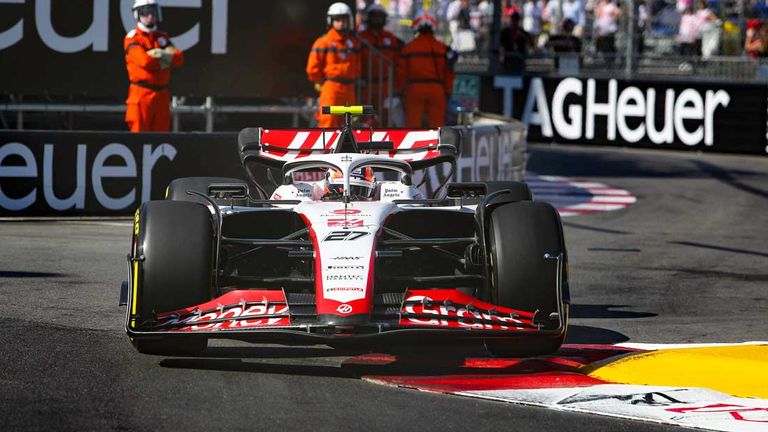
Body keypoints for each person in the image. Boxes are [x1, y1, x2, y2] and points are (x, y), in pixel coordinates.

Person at [123, 0, 184, 132]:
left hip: (161, 96)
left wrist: (158, 53)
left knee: (161, 138)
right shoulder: (133, 38)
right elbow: (145, 62)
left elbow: (179, 58)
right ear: (138, 15)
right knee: (139, 138)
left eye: (153, 12)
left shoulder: (161, 37)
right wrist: (167, 60)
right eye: (146, 12)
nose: (150, 16)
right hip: (141, 96)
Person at [306, 2, 361, 128]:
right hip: (331, 87)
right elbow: (312, 68)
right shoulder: (323, 42)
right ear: (331, 21)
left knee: (350, 123)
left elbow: (357, 66)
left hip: (349, 88)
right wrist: (321, 82)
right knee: (328, 122)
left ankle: (347, 148)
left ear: (349, 21)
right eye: (337, 19)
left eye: (344, 19)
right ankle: (326, 148)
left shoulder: (353, 43)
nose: (341, 22)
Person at [397, 14, 456, 128]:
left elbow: (401, 73)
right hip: (437, 90)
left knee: (412, 126)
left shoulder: (408, 48)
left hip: (414, 90)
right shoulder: (442, 48)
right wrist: (447, 92)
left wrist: (401, 91)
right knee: (437, 127)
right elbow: (449, 72)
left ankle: (412, 145)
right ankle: (436, 145)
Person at [358, 4, 402, 125]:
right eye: (374, 16)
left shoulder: (391, 38)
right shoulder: (360, 37)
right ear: (368, 18)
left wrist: (397, 86)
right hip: (365, 85)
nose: (377, 19)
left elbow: (398, 64)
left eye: (380, 16)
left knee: (385, 117)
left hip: (384, 85)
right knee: (365, 117)